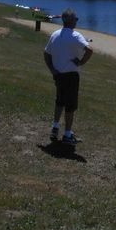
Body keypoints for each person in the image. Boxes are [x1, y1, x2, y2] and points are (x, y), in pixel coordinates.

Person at [43, 8, 93, 145]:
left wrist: (52, 69)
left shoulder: (55, 35)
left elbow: (46, 53)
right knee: (70, 106)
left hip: (58, 75)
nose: (77, 21)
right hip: (71, 75)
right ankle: (67, 135)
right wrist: (81, 62)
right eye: (76, 19)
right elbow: (89, 50)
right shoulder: (76, 36)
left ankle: (55, 127)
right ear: (71, 21)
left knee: (59, 101)